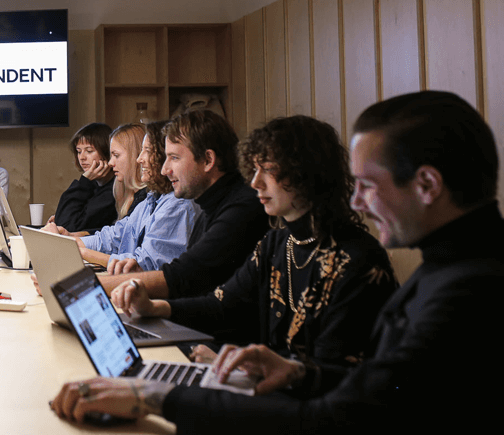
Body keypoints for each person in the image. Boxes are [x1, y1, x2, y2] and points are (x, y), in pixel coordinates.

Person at [50, 91, 504, 435]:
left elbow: (337, 416)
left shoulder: (467, 290)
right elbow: (377, 389)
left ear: (426, 184)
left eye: (369, 183)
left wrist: (156, 395)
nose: (358, 198)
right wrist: (301, 372)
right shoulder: (452, 265)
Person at [114, 116, 397, 366]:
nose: (255, 183)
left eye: (269, 171)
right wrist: (153, 308)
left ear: (306, 174)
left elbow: (333, 373)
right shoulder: (276, 244)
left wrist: (244, 367)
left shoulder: (358, 259)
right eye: (255, 170)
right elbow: (222, 305)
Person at [98, 110, 269, 297]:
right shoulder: (209, 206)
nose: (164, 170)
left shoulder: (240, 210)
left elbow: (185, 277)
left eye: (174, 158)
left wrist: (86, 288)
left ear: (208, 160)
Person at [46, 122, 197, 270]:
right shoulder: (151, 199)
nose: (139, 159)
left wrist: (78, 250)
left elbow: (143, 265)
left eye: (147, 151)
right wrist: (70, 241)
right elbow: (113, 237)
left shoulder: (177, 204)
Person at [50, 122, 145, 236]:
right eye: (79, 151)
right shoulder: (93, 184)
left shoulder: (115, 188)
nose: (82, 157)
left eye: (89, 151)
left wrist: (84, 181)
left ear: (105, 153)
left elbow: (70, 226)